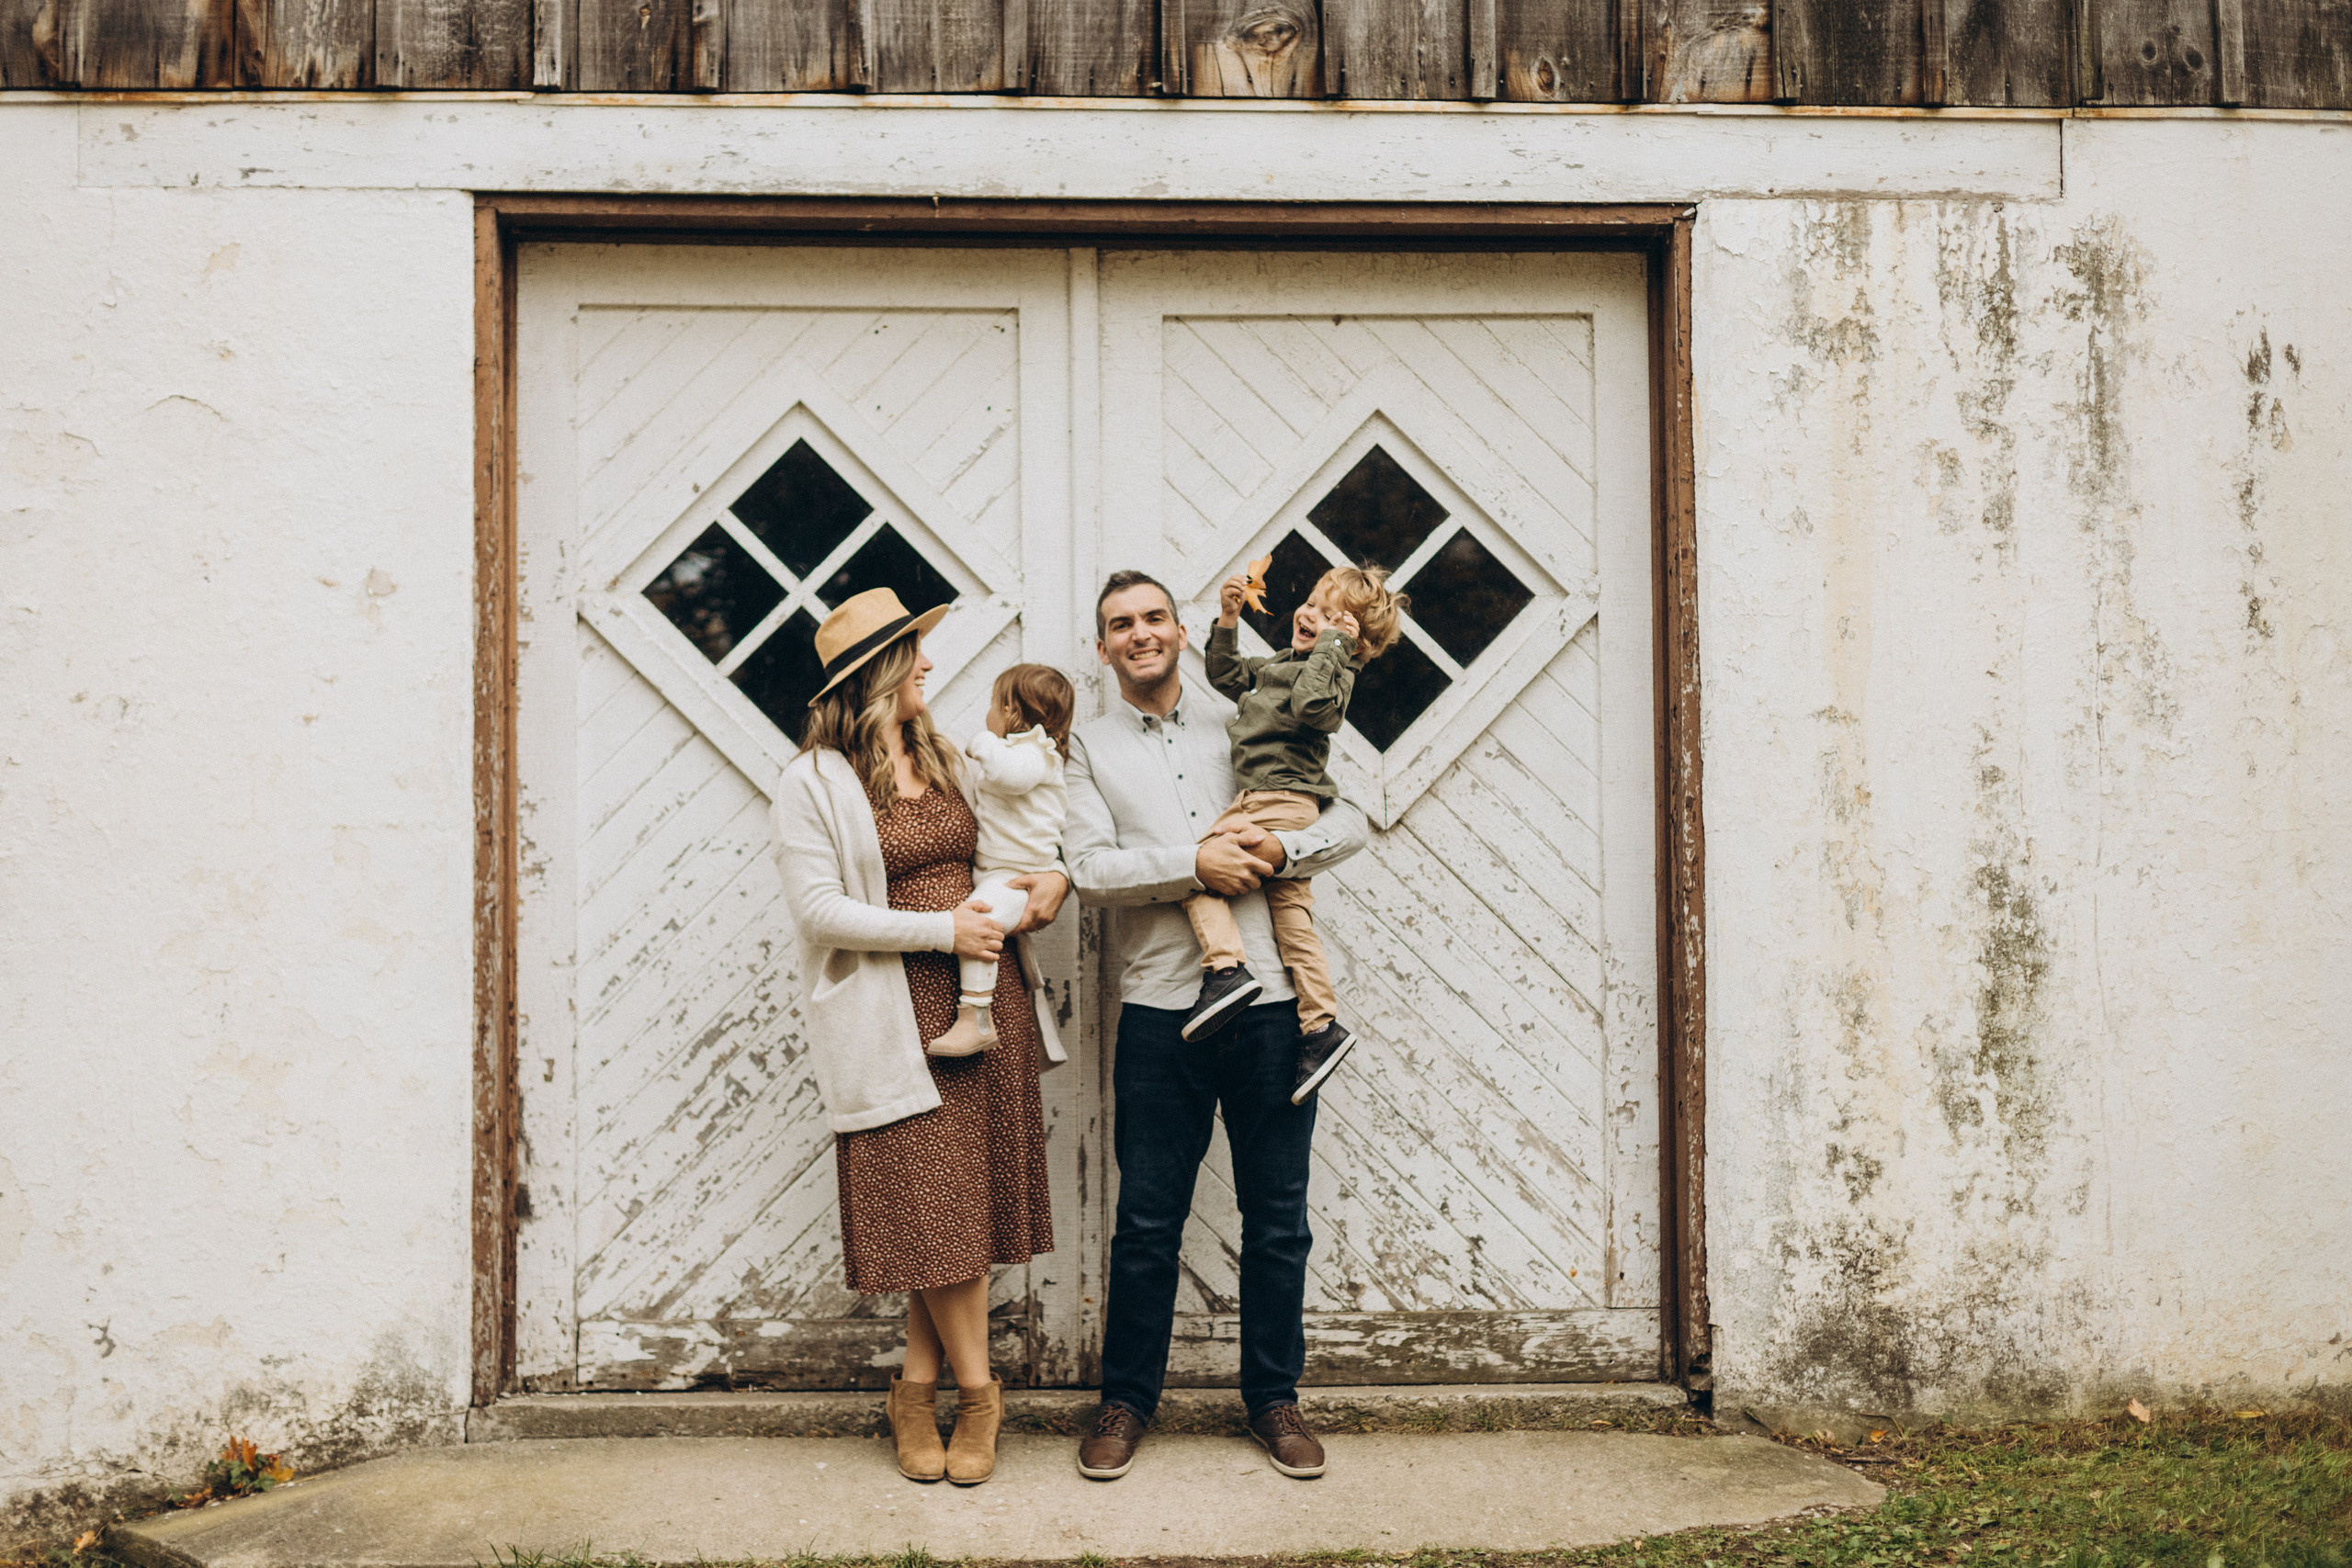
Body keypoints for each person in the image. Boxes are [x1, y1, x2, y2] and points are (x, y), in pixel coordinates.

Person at [1062, 569, 1371, 1484]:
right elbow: (1088, 868)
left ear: (1181, 630)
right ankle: (1127, 1400)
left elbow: (1346, 818)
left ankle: (1274, 1400)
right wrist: (1190, 863)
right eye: (1121, 624)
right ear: (1103, 644)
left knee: (1278, 1222)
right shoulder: (1087, 748)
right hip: (1163, 1016)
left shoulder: (1244, 710)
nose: (1140, 634)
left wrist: (1283, 849)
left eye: (1154, 617)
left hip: (1274, 1011)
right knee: (1148, 1223)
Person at [769, 588, 1069, 1488]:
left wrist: (1049, 880)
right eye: (915, 652)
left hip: (983, 1007)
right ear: (877, 673)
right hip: (892, 1017)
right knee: (934, 1209)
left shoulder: (948, 759)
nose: (932, 666)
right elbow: (820, 914)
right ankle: (980, 1397)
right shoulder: (812, 782)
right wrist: (945, 933)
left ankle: (916, 1388)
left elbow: (1029, 831)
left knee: (958, 1215)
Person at [1183, 563, 1405, 1103]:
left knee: (1199, 869)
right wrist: (1229, 619)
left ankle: (1226, 971)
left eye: (1334, 618)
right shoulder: (1286, 664)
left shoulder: (1331, 676)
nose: (1311, 617)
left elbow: (1311, 707)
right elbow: (1228, 677)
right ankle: (1320, 1025)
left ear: (1354, 646)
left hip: (1277, 798)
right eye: (1312, 603)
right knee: (1293, 918)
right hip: (1274, 799)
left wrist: (1333, 648)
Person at [930, 663, 1076, 1058]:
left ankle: (975, 1016)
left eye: (994, 704)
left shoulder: (1037, 753)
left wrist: (981, 742)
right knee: (979, 918)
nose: (987, 714)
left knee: (979, 924)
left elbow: (1009, 777)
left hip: (1017, 877)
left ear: (1012, 711)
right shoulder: (1017, 753)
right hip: (996, 872)